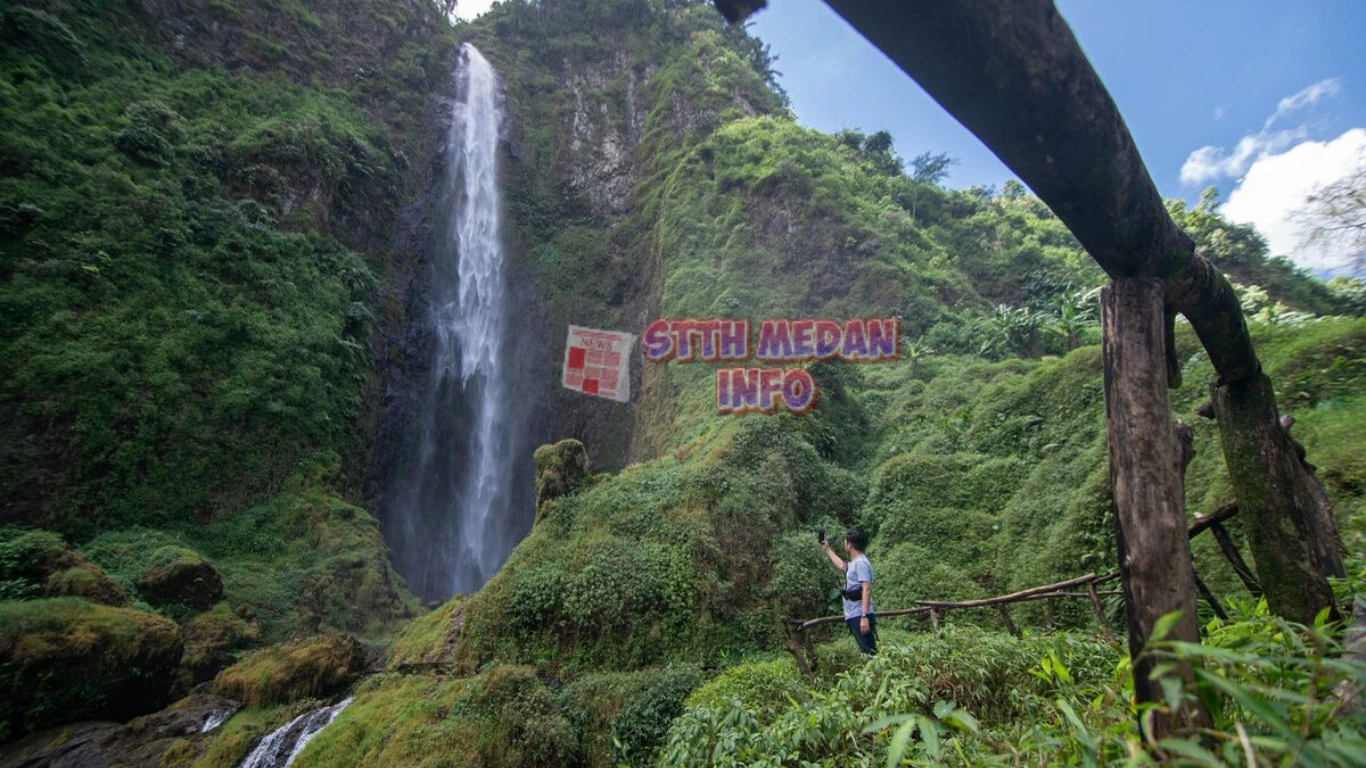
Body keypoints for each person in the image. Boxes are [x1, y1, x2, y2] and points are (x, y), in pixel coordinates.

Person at [820, 528, 876, 655]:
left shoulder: (861, 563)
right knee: (867, 652)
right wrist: (828, 550)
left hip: (859, 615)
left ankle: (878, 675)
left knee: (870, 654)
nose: (844, 544)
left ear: (849, 544)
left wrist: (864, 617)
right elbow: (842, 566)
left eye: (845, 542)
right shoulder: (855, 563)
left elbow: (866, 589)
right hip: (854, 615)